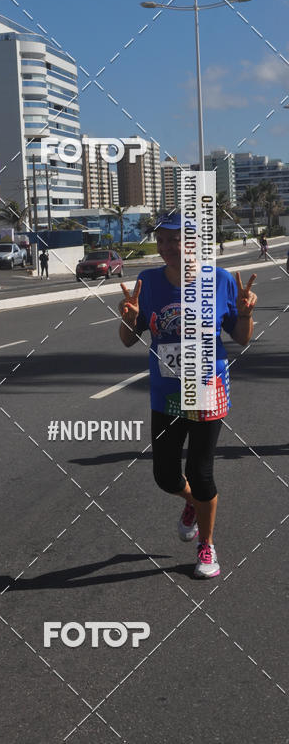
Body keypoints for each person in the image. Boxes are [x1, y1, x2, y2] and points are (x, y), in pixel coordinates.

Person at [118, 213, 257, 579]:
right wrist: (129, 318)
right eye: (161, 240)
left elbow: (241, 337)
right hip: (166, 393)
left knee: (200, 470)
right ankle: (193, 503)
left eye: (173, 239)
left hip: (208, 388)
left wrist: (244, 313)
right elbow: (128, 339)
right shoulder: (147, 281)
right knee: (165, 475)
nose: (165, 247)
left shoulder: (220, 281)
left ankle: (206, 545)